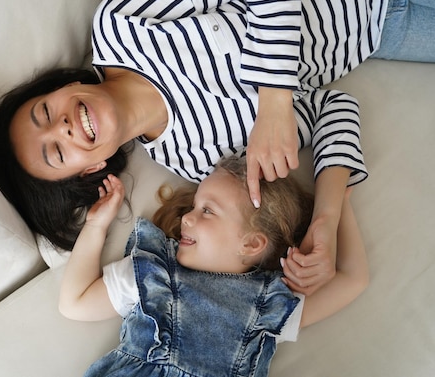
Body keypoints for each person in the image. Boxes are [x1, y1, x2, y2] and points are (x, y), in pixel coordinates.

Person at [0, 0, 435, 293]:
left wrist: (273, 99)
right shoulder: (194, 158)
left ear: (54, 88)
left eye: (43, 112)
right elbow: (333, 109)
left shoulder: (123, 22)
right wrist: (326, 219)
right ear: (91, 169)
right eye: (58, 151)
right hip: (385, 31)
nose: (64, 124)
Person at [58, 156, 369, 377]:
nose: (186, 219)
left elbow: (353, 280)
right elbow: (75, 303)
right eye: (195, 206)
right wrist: (96, 225)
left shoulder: (268, 302)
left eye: (207, 211)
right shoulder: (152, 272)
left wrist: (335, 209)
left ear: (251, 244)